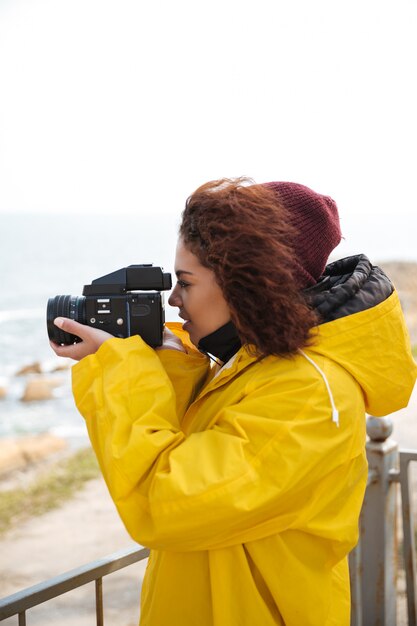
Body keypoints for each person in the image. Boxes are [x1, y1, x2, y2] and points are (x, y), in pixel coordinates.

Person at [50, 178, 416, 626]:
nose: (172, 299)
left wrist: (120, 370)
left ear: (248, 286)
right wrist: (171, 362)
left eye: (185, 282)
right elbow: (195, 450)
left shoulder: (308, 395)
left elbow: (164, 500)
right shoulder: (258, 364)